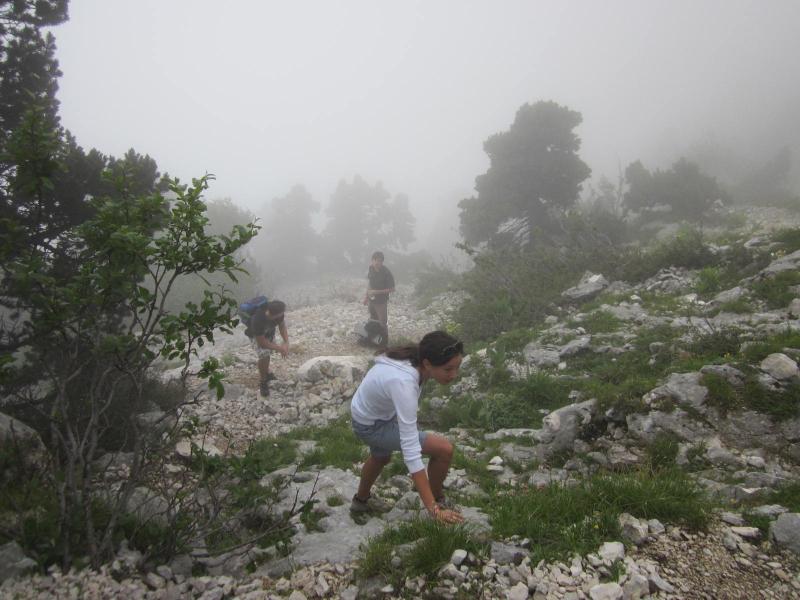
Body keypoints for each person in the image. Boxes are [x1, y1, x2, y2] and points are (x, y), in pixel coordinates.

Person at [350, 330, 465, 524]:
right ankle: (437, 504)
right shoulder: (403, 382)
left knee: (381, 457)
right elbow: (411, 450)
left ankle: (360, 501)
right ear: (427, 364)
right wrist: (433, 510)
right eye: (448, 369)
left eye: (457, 367)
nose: (454, 375)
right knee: (443, 450)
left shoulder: (414, 358)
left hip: (368, 414)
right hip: (371, 424)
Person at [247, 300, 289, 397]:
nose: (282, 316)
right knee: (264, 355)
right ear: (272, 314)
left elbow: (282, 326)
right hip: (255, 336)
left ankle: (266, 372)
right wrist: (280, 348)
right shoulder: (258, 320)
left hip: (269, 332)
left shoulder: (278, 313)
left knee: (268, 354)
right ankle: (263, 381)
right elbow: (262, 343)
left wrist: (286, 342)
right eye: (280, 315)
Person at [363, 251, 395, 343]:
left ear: (382, 262)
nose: (377, 263)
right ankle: (374, 340)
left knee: (382, 322)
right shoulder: (371, 269)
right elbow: (370, 284)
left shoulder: (386, 272)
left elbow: (392, 289)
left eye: (379, 261)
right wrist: (366, 297)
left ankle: (384, 342)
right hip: (372, 300)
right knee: (373, 319)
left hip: (381, 301)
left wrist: (376, 292)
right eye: (375, 260)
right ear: (372, 260)